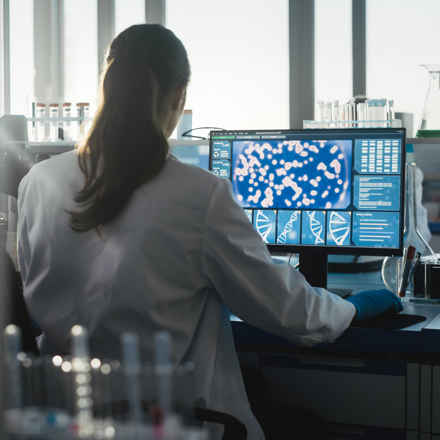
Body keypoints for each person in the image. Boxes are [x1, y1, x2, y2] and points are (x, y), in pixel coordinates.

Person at [17, 24, 402, 440]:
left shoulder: (38, 183)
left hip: (65, 423)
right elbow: (294, 315)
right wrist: (356, 308)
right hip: (176, 425)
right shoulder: (198, 195)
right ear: (179, 97)